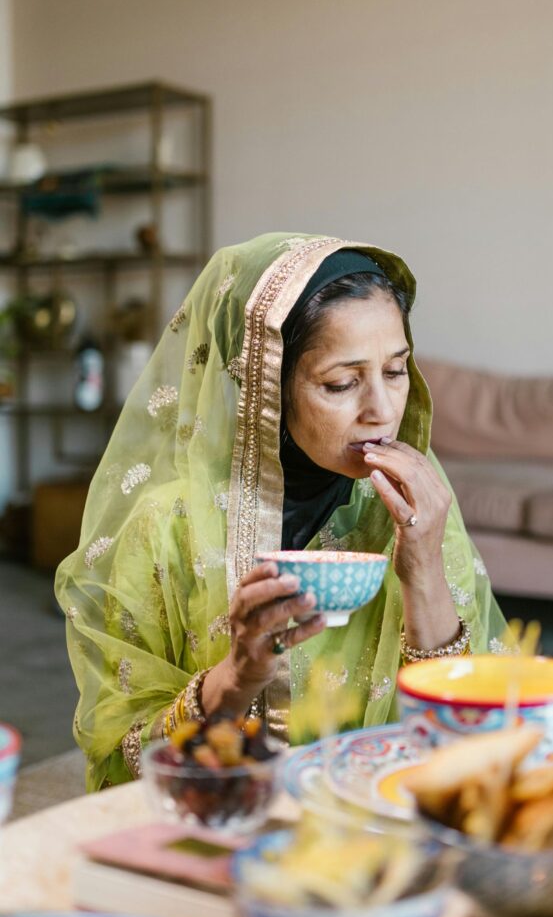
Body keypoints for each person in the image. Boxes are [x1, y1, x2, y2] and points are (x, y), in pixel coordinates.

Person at [55, 233, 506, 790]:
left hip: (382, 819)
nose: (384, 411)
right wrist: (239, 675)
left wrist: (423, 566)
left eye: (396, 371)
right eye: (341, 383)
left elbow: (472, 727)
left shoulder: (417, 502)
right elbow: (125, 757)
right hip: (225, 823)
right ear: (264, 388)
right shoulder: (166, 526)